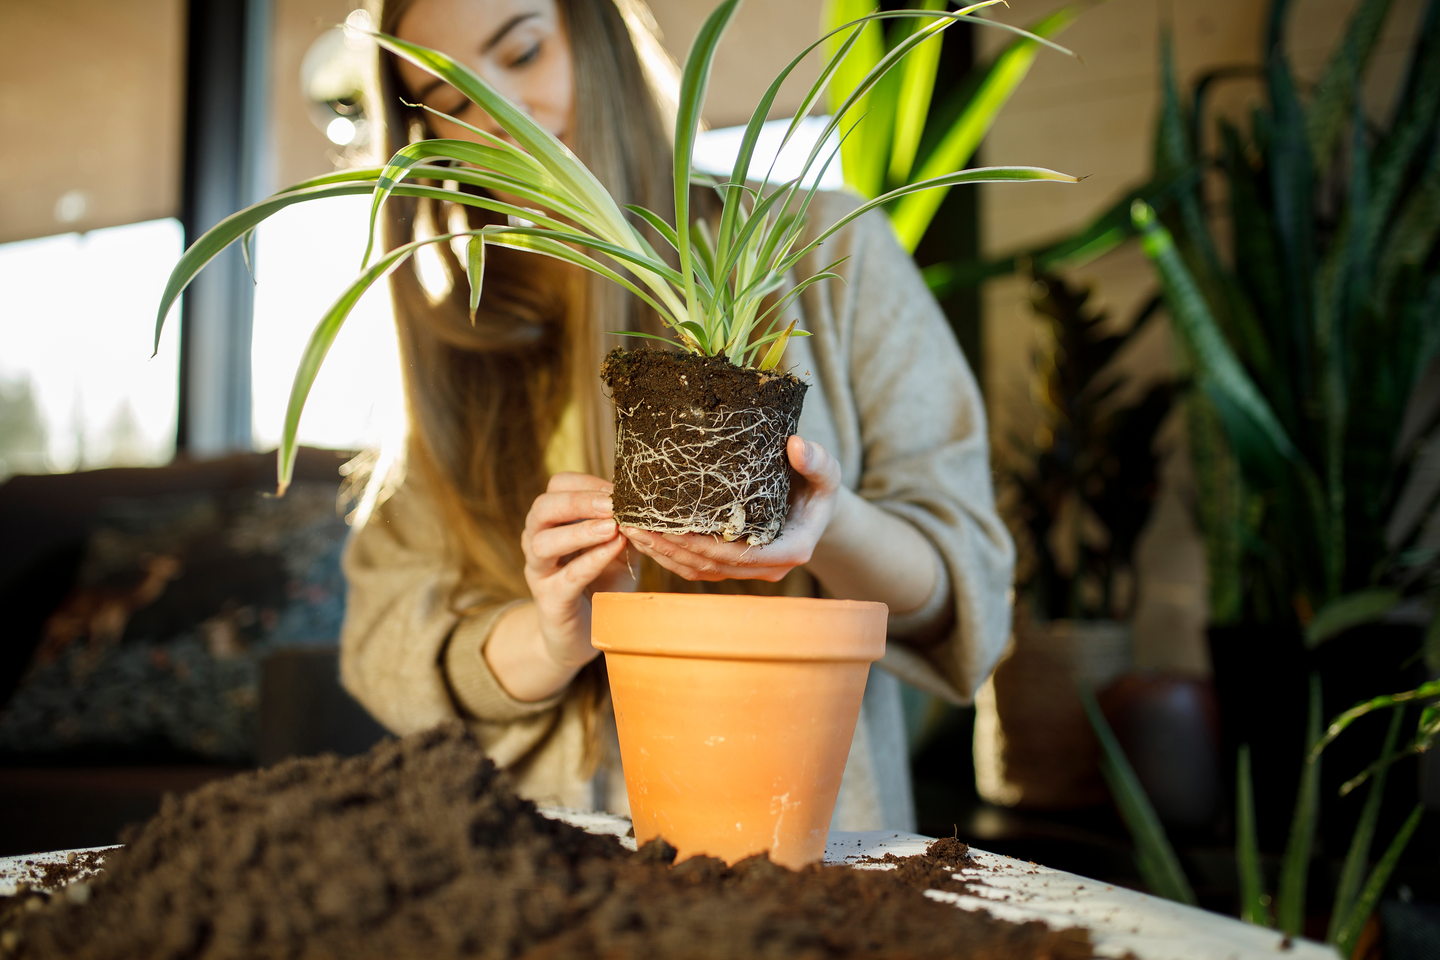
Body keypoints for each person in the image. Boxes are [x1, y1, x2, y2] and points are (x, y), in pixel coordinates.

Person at [341, 0, 1015, 831]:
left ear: (596, 32)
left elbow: (968, 596)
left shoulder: (823, 248)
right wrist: (553, 637)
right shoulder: (461, 339)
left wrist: (822, 523)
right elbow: (390, 645)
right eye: (454, 102)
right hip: (546, 862)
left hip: (806, 840)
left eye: (520, 53)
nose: (504, 119)